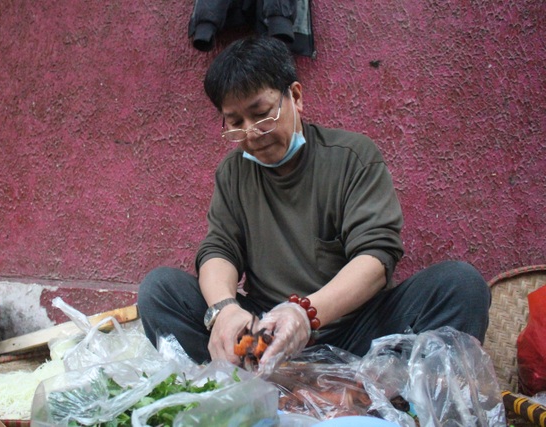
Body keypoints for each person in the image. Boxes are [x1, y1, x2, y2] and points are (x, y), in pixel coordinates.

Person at [137, 35, 490, 370]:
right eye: (235, 122)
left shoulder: (353, 156)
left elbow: (377, 257)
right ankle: (252, 391)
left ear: (296, 96)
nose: (250, 132)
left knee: (460, 286)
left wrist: (304, 313)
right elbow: (219, 249)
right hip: (264, 338)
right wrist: (225, 310)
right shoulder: (233, 172)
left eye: (261, 113)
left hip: (356, 333)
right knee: (160, 290)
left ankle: (375, 394)